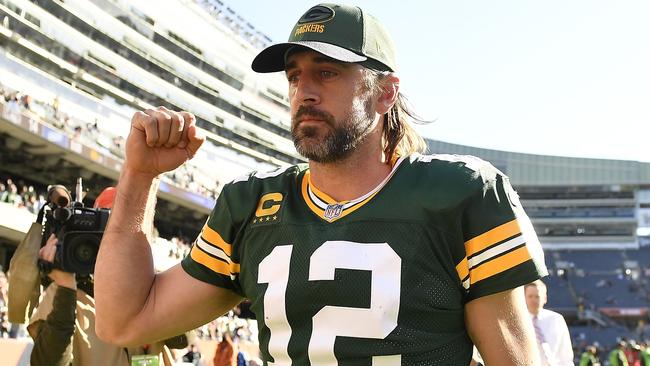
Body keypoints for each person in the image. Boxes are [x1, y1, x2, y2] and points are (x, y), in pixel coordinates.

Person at [95, 3, 548, 365]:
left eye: (327, 72)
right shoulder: (251, 202)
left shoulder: (460, 193)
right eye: (295, 76)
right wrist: (139, 175)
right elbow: (124, 322)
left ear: (385, 92)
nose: (304, 91)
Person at [28, 187, 186, 365]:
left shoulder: (150, 291)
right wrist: (65, 289)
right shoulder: (66, 295)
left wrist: (152, 285)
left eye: (135, 229)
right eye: (115, 228)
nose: (124, 241)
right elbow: (47, 362)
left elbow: (182, 339)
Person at [524, 280, 574, 365]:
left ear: (545, 298)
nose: (533, 300)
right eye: (530, 296)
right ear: (524, 298)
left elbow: (565, 354)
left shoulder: (556, 319)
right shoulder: (517, 321)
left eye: (537, 296)